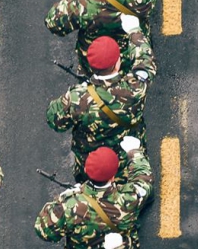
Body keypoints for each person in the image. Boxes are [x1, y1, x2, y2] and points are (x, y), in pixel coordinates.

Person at [35, 139, 152, 249]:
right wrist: (134, 152)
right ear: (113, 176)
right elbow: (144, 179)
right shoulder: (129, 198)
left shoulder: (70, 206)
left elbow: (43, 231)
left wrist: (61, 199)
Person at [46, 19, 156, 174]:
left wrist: (74, 94)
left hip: (92, 164)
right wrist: (134, 31)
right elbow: (146, 62)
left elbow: (54, 121)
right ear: (118, 63)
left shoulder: (77, 99)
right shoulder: (134, 87)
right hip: (128, 156)